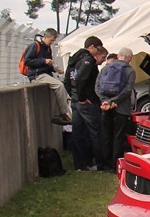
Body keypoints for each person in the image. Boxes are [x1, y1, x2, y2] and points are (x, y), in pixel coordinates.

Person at [66, 36, 103, 172]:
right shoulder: (87, 60)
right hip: (86, 101)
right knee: (95, 132)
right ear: (92, 47)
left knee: (77, 132)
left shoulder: (73, 60)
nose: (98, 53)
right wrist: (82, 97)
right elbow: (81, 78)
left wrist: (73, 96)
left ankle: (79, 164)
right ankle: (99, 163)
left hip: (75, 101)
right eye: (98, 49)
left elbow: (67, 80)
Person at [95, 46, 137, 166]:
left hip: (105, 107)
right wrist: (114, 101)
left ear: (118, 56)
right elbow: (128, 90)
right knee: (118, 136)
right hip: (121, 108)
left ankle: (105, 162)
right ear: (129, 58)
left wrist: (105, 101)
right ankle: (115, 163)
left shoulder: (105, 69)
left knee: (106, 134)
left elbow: (97, 87)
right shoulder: (130, 71)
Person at [21, 27, 70, 124]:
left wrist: (56, 69)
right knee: (59, 86)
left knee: (61, 86)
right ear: (45, 37)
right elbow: (27, 61)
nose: (51, 43)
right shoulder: (34, 46)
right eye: (51, 40)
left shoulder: (48, 48)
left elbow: (48, 64)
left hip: (45, 73)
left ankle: (58, 113)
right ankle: (64, 113)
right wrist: (44, 61)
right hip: (37, 74)